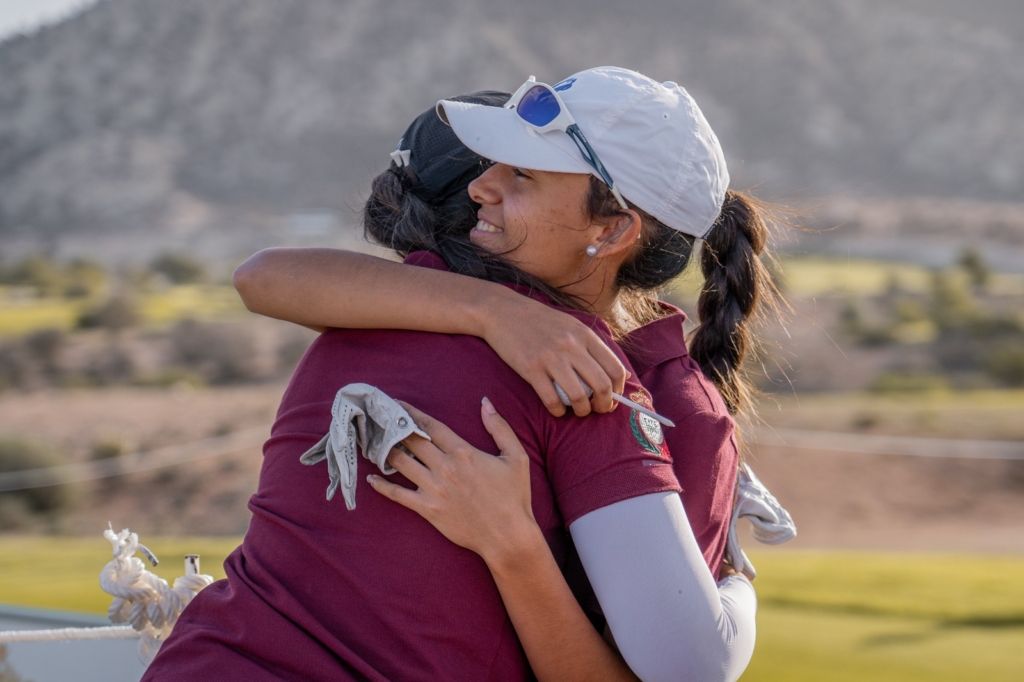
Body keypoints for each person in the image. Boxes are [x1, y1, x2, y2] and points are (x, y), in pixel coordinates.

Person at [231, 67, 778, 681]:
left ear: (614, 229)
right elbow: (690, 671)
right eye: (492, 164)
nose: (480, 187)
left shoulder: (578, 376)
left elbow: (263, 277)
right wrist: (736, 585)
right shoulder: (553, 362)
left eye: (521, 173)